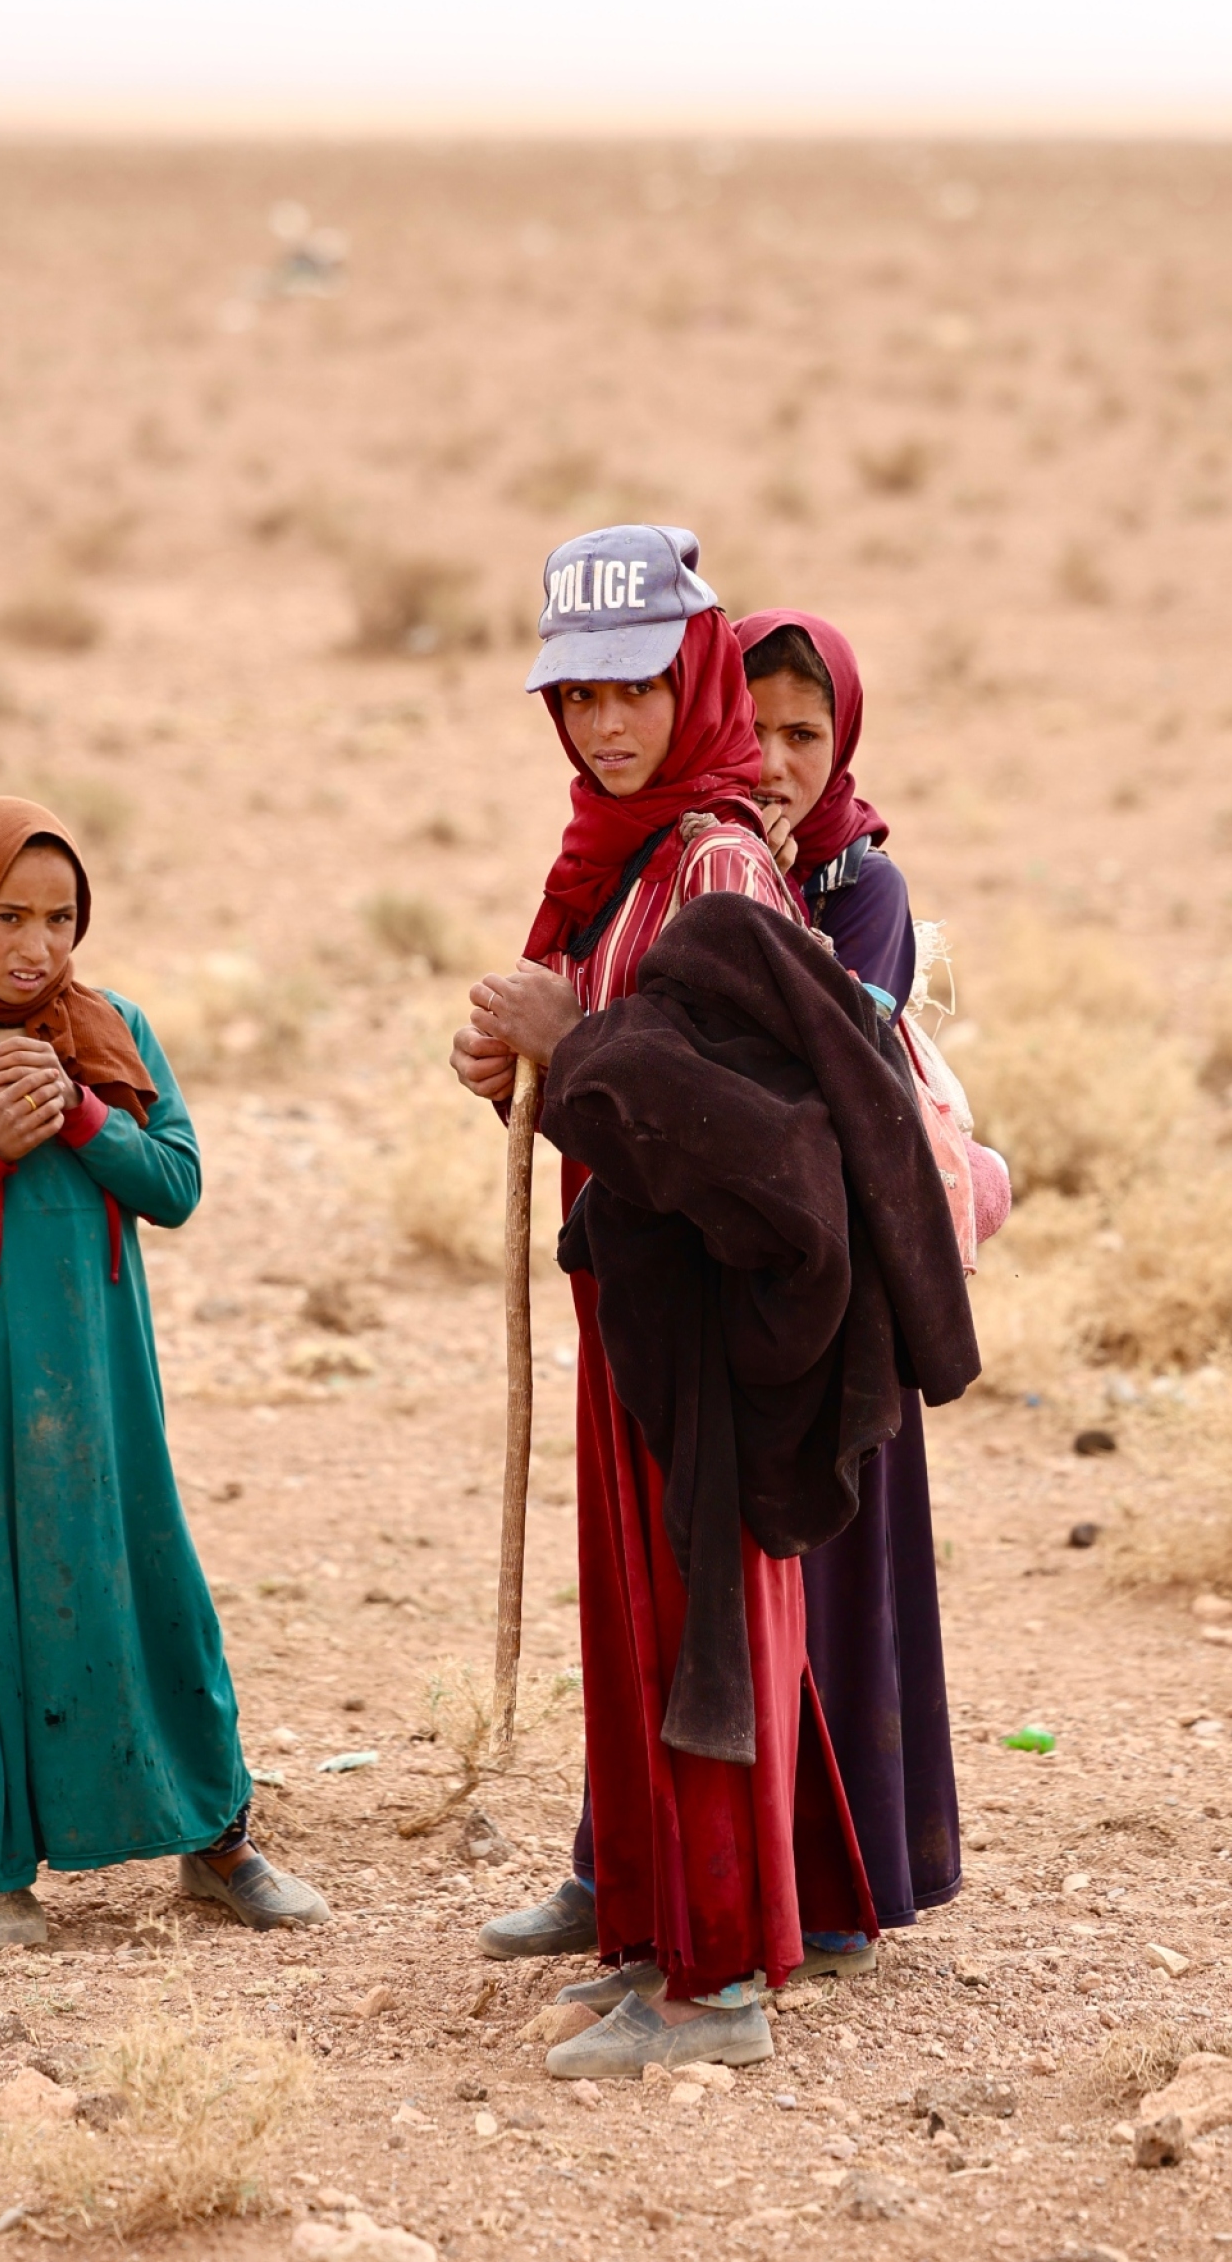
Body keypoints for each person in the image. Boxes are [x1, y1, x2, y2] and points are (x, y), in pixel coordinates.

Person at [450, 527, 881, 2075]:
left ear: (690, 675)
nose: (605, 722)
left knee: (707, 1630)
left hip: (703, 1322)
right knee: (646, 1627)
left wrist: (582, 1044)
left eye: (635, 686)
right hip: (625, 1305)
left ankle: (721, 1986)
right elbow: (616, 1072)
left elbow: (769, 1140)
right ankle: (659, 1933)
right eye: (576, 695)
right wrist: (521, 1061)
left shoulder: (716, 861)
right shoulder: (611, 851)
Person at [0, 796, 328, 1948]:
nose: (37, 944)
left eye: (62, 917)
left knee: (151, 1592)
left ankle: (216, 1841)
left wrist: (76, 1118)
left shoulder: (114, 1029)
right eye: (8, 915)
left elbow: (175, 1184)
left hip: (107, 1390)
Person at [737, 607, 1006, 1943]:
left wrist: (775, 903)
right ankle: (665, 1860)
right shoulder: (694, 865)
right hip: (730, 1288)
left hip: (850, 1301)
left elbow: (820, 1075)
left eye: (807, 730)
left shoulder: (865, 891)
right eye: (755, 725)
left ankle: (847, 1883)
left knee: (841, 1566)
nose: (778, 755)